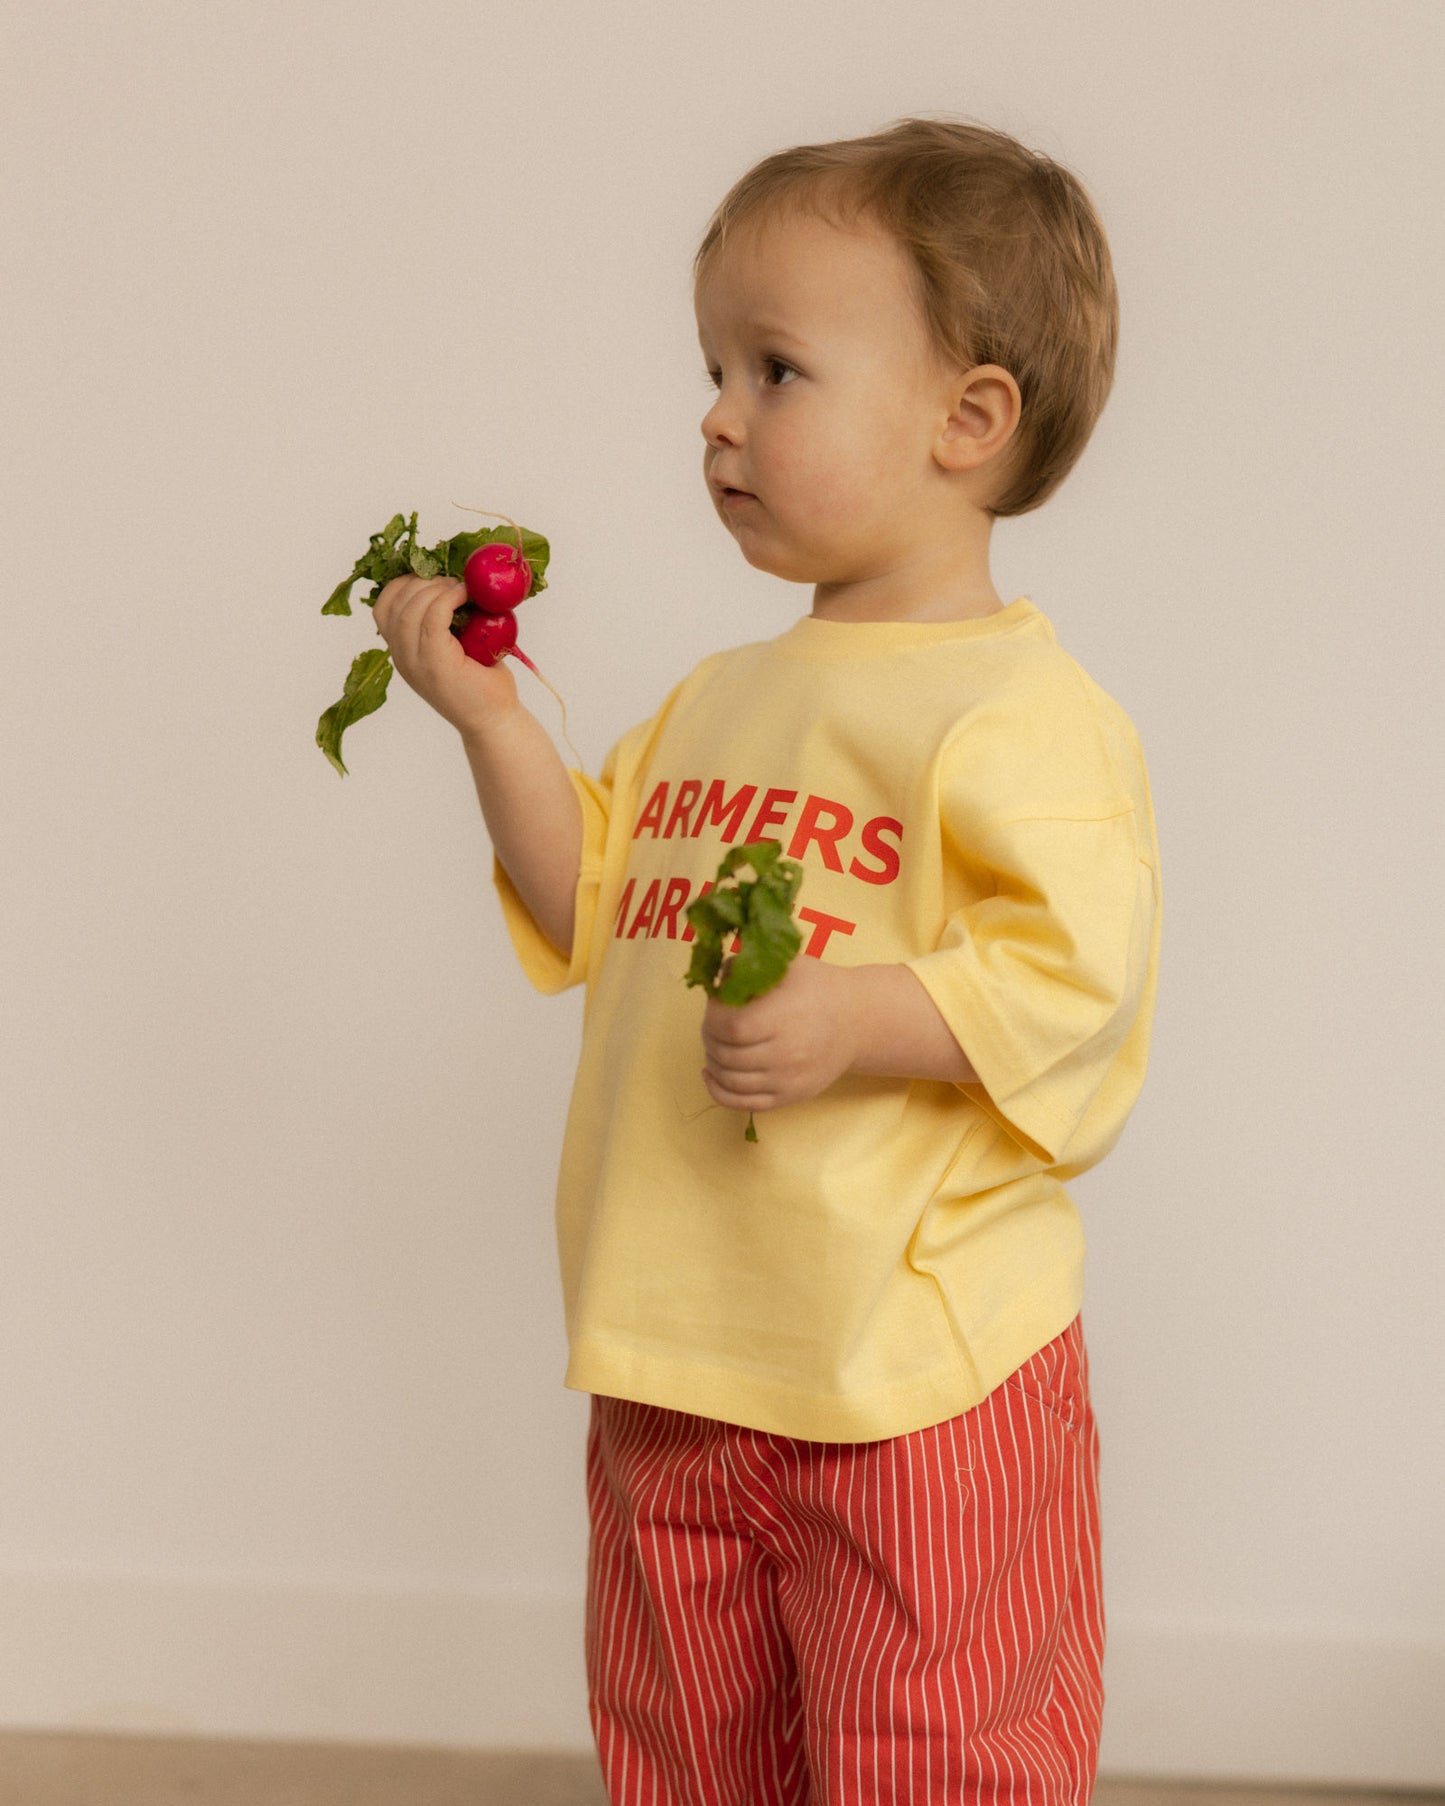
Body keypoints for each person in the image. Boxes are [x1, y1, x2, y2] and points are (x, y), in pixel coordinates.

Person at [373, 114, 1161, 1806]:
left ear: (968, 420)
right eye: (714, 367)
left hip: (911, 1368)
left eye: (777, 370)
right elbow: (591, 893)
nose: (718, 415)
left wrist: (856, 1015)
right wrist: (491, 721)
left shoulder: (1017, 714)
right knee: (685, 1748)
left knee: (930, 1746)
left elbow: (1076, 988)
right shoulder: (724, 696)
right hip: (677, 1348)